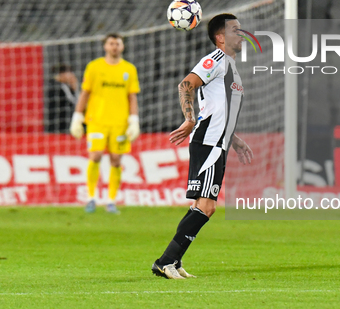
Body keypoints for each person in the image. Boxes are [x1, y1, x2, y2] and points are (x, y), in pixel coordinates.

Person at [151, 14, 253, 279]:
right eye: (235, 29)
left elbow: (219, 110)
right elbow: (186, 84)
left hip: (218, 143)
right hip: (208, 142)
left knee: (203, 205)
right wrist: (189, 118)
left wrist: (235, 140)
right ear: (220, 37)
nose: (241, 33)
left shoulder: (231, 67)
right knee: (207, 206)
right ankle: (166, 261)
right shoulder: (215, 60)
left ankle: (171, 260)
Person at [69, 33, 141, 214]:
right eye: (111, 43)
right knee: (95, 156)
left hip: (120, 122)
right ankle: (91, 198)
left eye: (117, 43)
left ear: (122, 46)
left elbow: (131, 96)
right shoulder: (94, 67)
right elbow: (85, 93)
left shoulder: (129, 69)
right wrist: (77, 116)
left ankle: (111, 201)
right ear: (105, 47)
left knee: (116, 160)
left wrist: (134, 120)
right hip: (97, 120)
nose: (114, 46)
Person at [46, 63, 79, 133]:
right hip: (59, 127)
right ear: (62, 74)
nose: (72, 76)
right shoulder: (60, 87)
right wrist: (74, 88)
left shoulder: (56, 85)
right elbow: (74, 103)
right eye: (70, 73)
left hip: (58, 125)